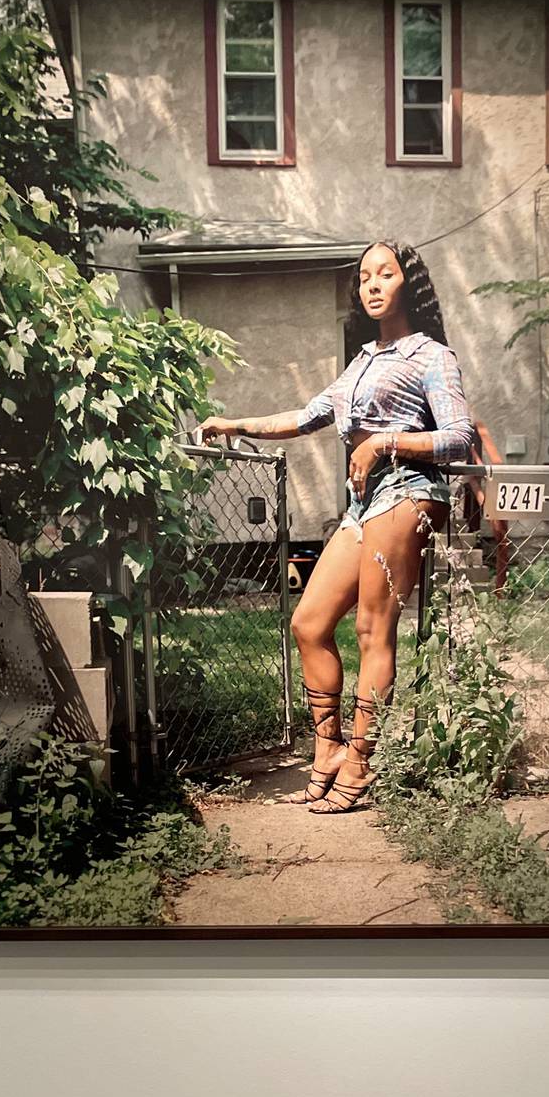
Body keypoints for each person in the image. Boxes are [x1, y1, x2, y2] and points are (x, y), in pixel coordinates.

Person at [200, 240, 475, 813]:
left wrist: (382, 443)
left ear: (409, 284)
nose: (372, 284)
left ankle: (360, 759)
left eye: (386, 274)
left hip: (410, 493)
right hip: (362, 504)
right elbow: (306, 417)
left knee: (373, 630)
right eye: (365, 276)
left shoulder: (431, 356)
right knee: (309, 623)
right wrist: (235, 423)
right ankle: (327, 748)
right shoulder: (362, 360)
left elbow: (458, 437)